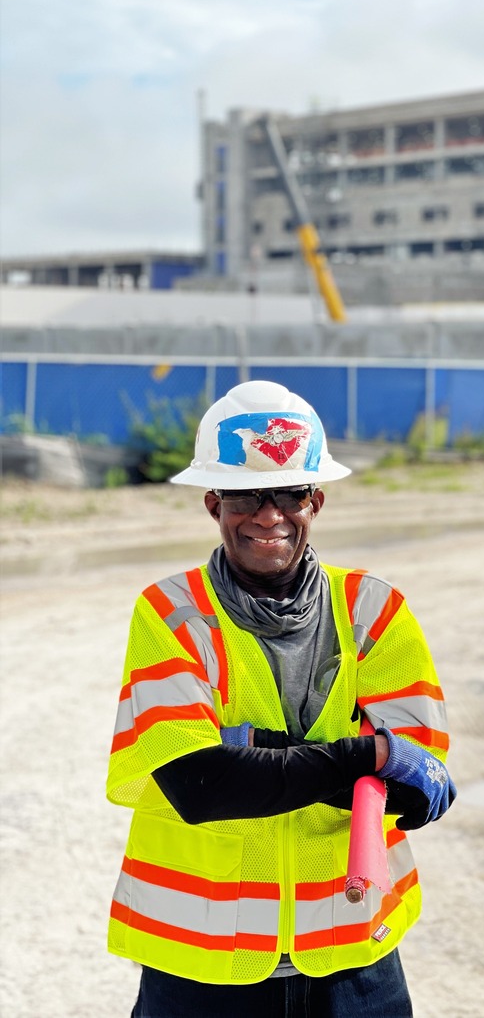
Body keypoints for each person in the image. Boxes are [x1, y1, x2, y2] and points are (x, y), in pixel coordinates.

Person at [106, 380, 455, 1017]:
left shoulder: (373, 609)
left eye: (291, 493)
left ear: (315, 500)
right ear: (213, 502)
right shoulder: (171, 614)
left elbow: (415, 787)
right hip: (203, 961)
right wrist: (356, 759)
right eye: (246, 495)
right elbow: (199, 785)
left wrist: (256, 753)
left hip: (353, 955)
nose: (269, 515)